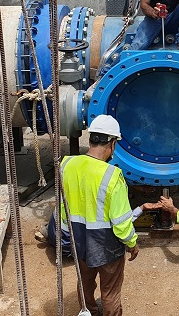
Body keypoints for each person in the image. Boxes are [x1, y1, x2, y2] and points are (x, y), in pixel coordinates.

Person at [59, 114, 138, 316]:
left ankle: (90, 312)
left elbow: (62, 207)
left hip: (79, 240)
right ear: (112, 144)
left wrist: (67, 235)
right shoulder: (112, 175)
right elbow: (121, 222)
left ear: (91, 138)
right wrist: (132, 243)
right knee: (110, 291)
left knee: (84, 283)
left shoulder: (66, 165)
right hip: (107, 245)